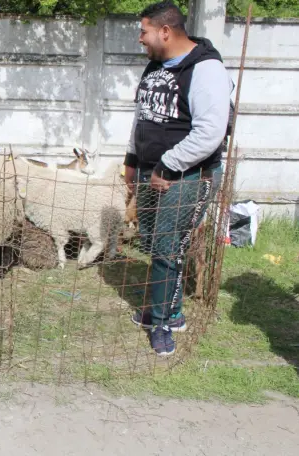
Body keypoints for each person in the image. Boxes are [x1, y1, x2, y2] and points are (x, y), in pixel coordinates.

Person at [123, 1, 233, 356]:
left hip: (184, 176)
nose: (140, 39)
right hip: (151, 171)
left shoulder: (206, 69)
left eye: (144, 31)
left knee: (169, 249)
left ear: (165, 31)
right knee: (155, 244)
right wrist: (132, 159)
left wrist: (167, 166)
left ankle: (160, 323)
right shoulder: (154, 68)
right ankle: (169, 310)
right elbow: (143, 116)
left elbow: (210, 132)